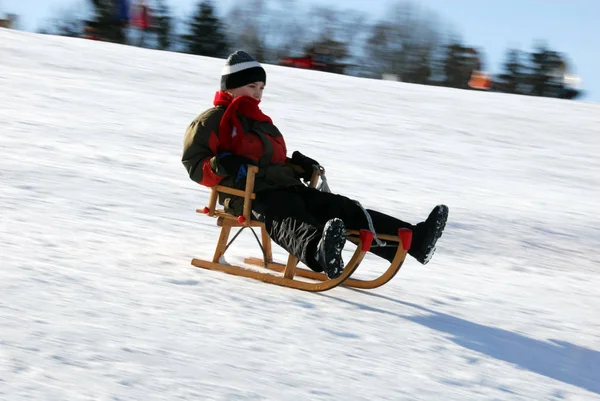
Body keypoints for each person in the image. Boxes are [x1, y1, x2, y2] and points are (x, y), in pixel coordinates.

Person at [182, 50, 449, 279]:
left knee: (338, 206)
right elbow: (195, 164)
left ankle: (415, 239)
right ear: (231, 86)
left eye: (261, 88)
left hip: (284, 185)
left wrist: (297, 167)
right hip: (248, 195)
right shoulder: (211, 121)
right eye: (252, 86)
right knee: (286, 212)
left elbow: (270, 160)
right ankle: (319, 253)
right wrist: (223, 164)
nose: (258, 94)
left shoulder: (260, 121)